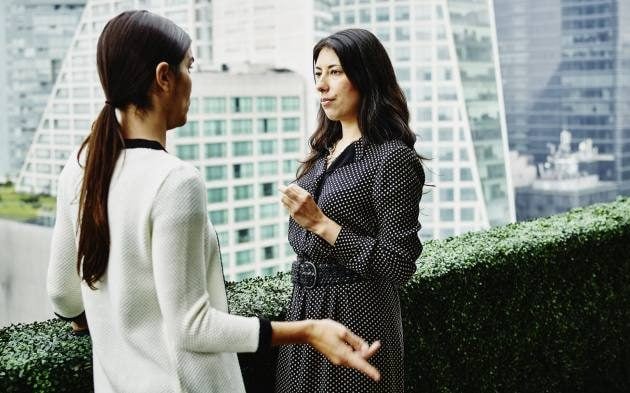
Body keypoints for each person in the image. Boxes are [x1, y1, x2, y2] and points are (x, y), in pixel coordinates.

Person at [46, 11, 381, 393]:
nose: (192, 80)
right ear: (164, 77)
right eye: (189, 67)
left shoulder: (80, 168)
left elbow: (62, 293)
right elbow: (193, 327)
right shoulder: (174, 181)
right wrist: (308, 331)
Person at [276, 28, 425, 392]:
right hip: (304, 309)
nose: (322, 86)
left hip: (359, 314)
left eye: (336, 72)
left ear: (365, 76)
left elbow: (398, 263)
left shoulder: (392, 159)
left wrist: (322, 224)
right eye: (318, 73)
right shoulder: (321, 154)